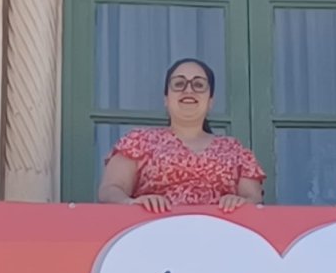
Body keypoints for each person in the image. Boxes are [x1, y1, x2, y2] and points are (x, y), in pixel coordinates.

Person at [99, 58, 266, 213]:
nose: (188, 90)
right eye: (179, 84)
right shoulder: (138, 142)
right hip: (151, 235)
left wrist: (239, 203)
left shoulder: (234, 150)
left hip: (220, 238)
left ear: (210, 101)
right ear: (166, 99)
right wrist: (132, 204)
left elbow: (253, 200)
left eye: (198, 85)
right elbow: (110, 190)